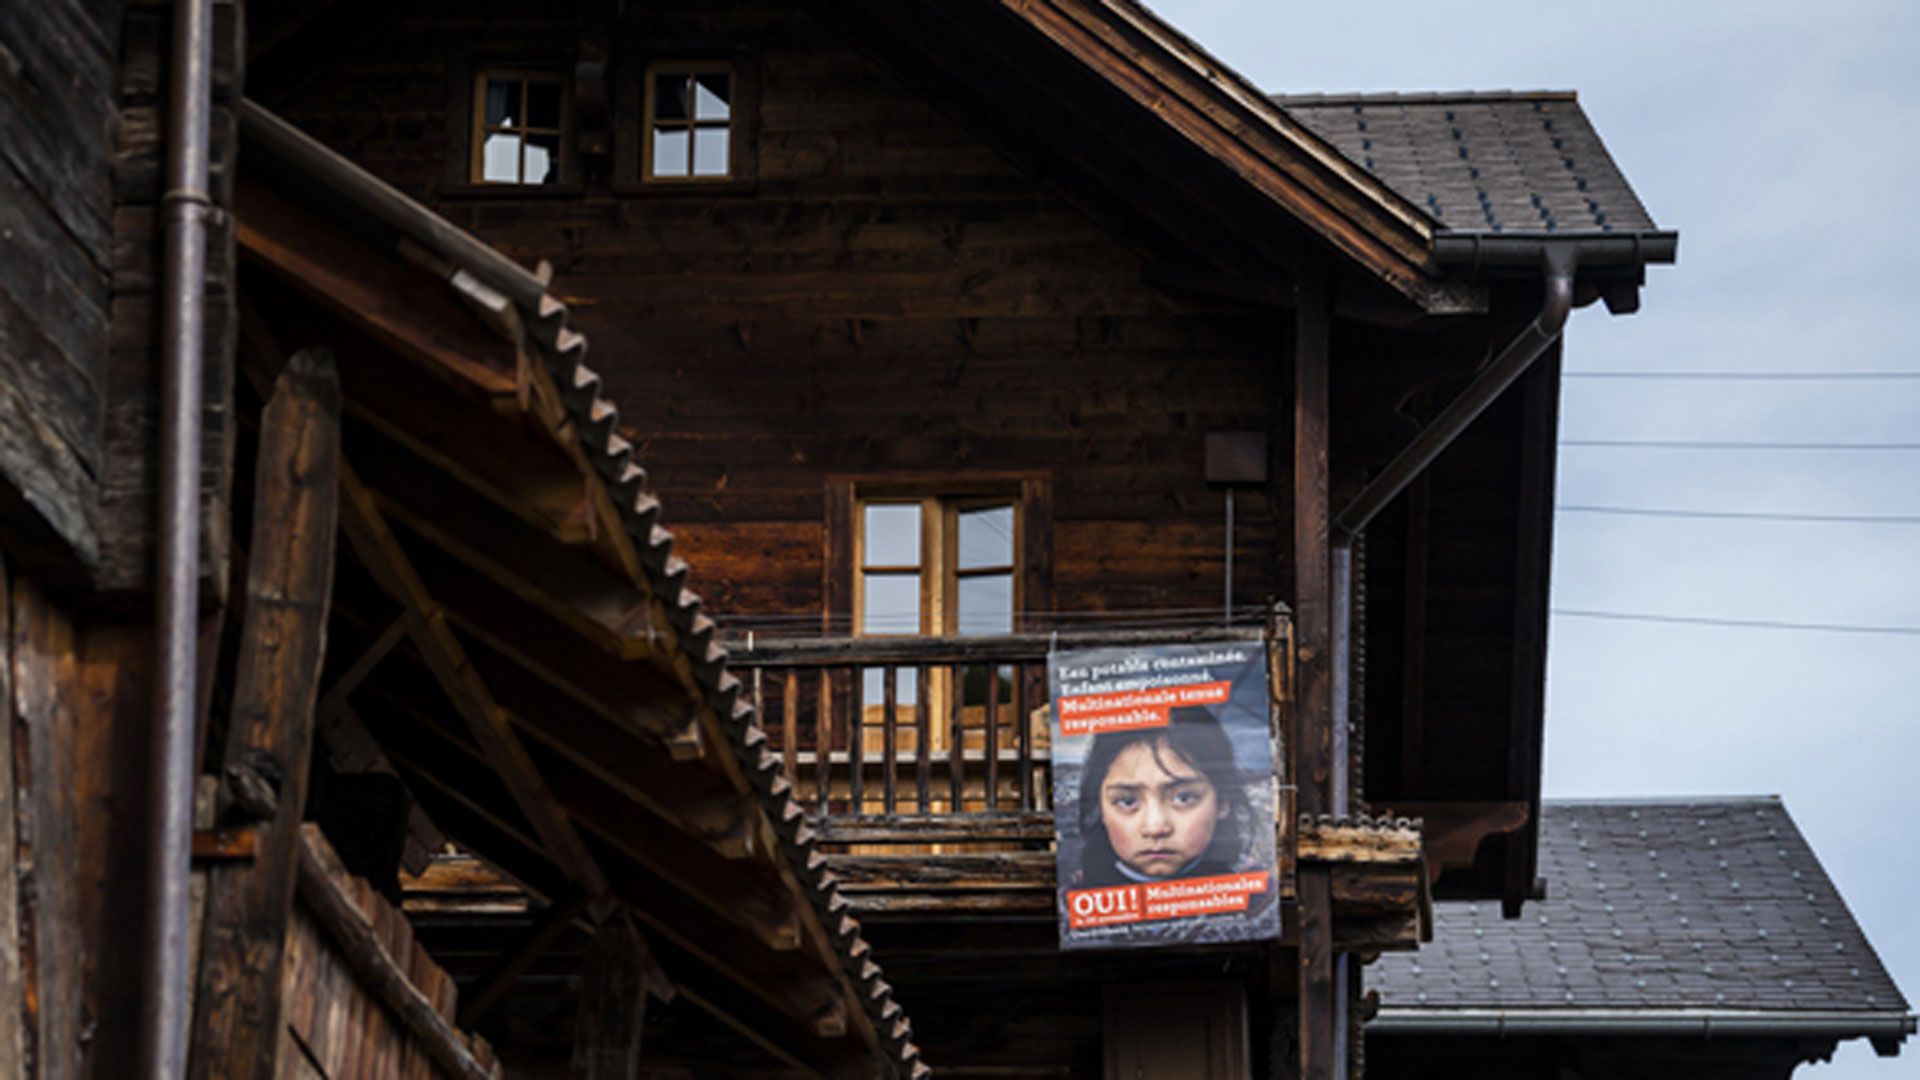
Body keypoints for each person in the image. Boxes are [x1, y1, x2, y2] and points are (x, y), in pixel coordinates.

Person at [1071, 705, 1250, 887]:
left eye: (1184, 798)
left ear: (1222, 802)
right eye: (1127, 801)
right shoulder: (1069, 907)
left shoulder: (1259, 899)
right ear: (1101, 808)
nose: (1155, 828)